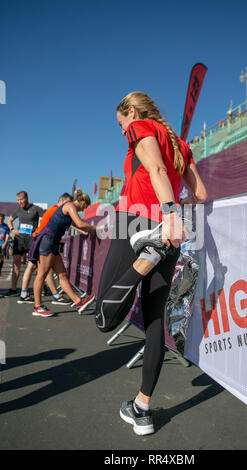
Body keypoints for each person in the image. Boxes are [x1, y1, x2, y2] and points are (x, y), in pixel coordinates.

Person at [94, 91, 207, 435]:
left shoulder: (140, 126)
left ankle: (145, 259)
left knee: (103, 318)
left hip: (138, 223)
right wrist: (173, 214)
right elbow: (200, 194)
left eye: (120, 122)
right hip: (166, 234)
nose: (122, 130)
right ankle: (142, 409)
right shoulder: (182, 145)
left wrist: (170, 214)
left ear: (130, 111)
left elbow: (155, 167)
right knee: (154, 317)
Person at [29, 189, 97, 317]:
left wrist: (85, 232)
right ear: (82, 202)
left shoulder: (69, 207)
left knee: (63, 275)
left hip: (53, 242)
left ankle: (78, 302)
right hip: (47, 241)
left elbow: (73, 224)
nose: (85, 208)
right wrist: (97, 228)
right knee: (42, 274)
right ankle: (37, 307)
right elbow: (80, 223)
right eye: (85, 206)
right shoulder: (70, 205)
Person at [17, 192, 74, 305]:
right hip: (41, 239)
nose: (69, 206)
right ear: (61, 201)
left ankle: (53, 296)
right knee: (39, 270)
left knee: (41, 269)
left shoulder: (51, 209)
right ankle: (39, 300)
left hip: (39, 238)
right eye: (67, 203)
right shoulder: (56, 210)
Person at [6, 191, 45, 295]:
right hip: (19, 239)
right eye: (18, 200)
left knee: (35, 265)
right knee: (16, 263)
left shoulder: (35, 208)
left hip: (31, 239)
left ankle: (42, 287)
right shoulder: (18, 209)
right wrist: (12, 229)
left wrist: (39, 230)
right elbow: (9, 221)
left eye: (21, 199)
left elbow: (46, 217)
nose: (19, 202)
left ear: (27, 198)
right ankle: (13, 289)